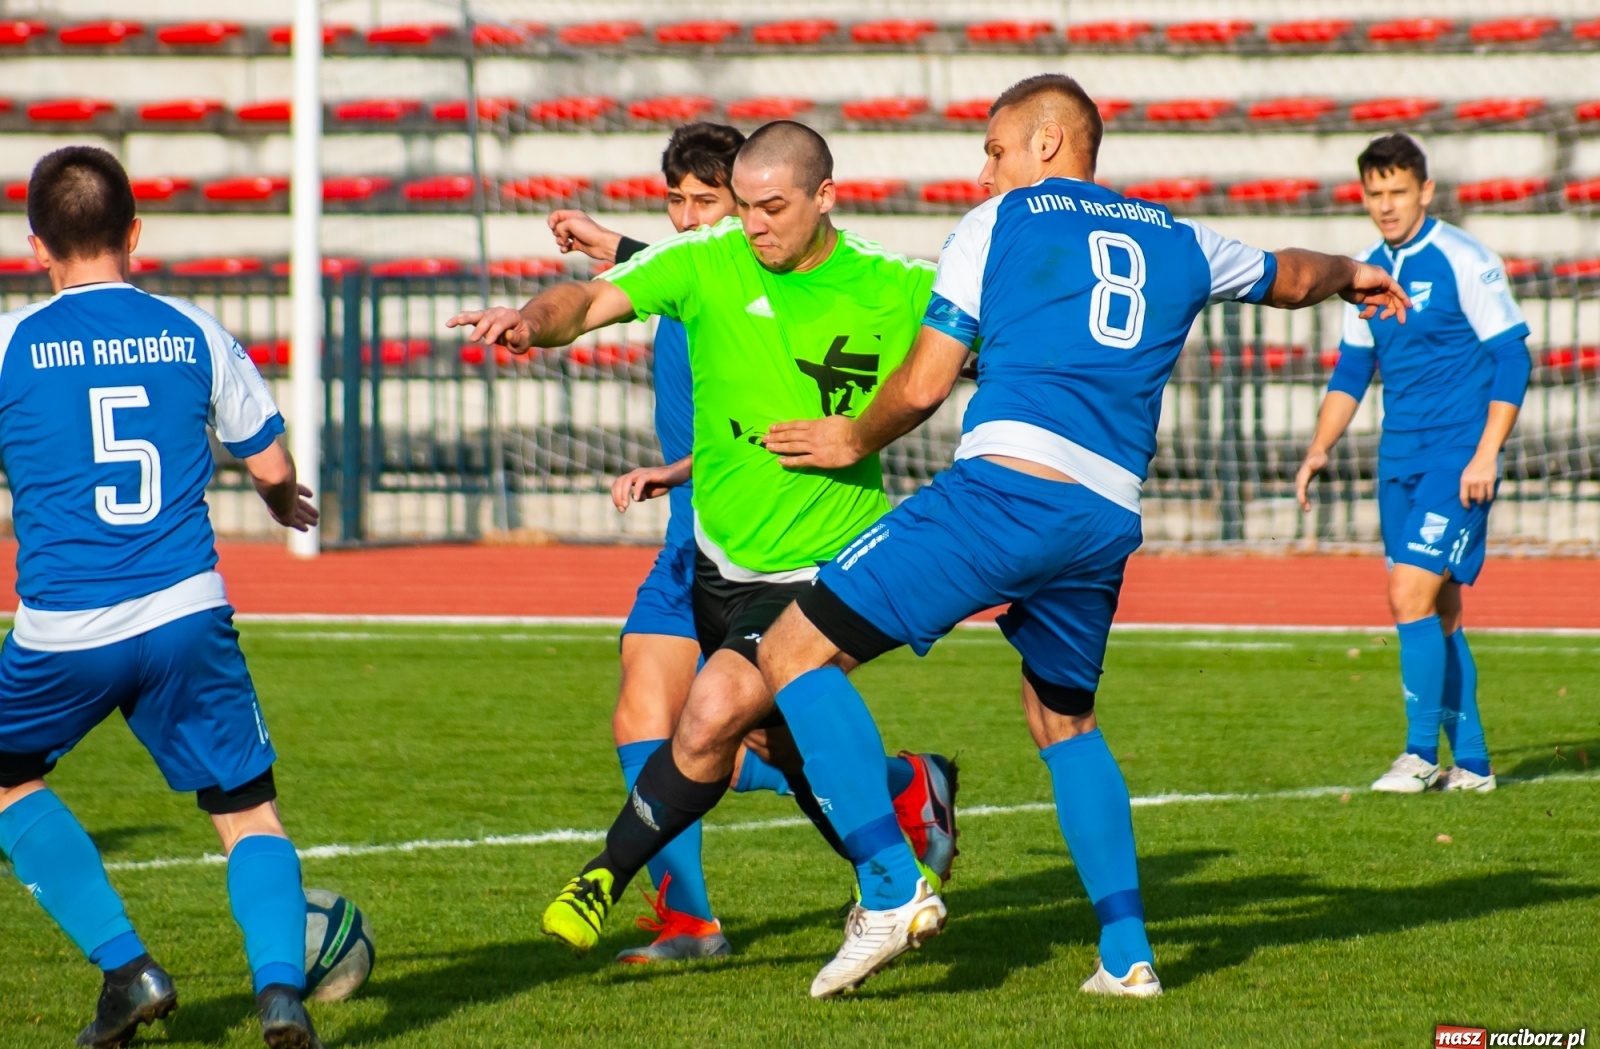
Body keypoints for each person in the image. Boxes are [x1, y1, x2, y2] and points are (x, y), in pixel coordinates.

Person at [753, 74, 1411, 998]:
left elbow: (926, 383)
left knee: (790, 652)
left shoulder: (999, 222)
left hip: (1006, 493)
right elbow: (1291, 275)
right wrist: (1356, 270)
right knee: (1062, 719)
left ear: (1049, 144)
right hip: (1103, 518)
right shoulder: (1178, 236)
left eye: (993, 148)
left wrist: (852, 437)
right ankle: (1127, 954)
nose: (981, 169)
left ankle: (891, 886)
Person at [447, 121, 957, 963]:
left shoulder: (892, 283)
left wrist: (863, 431)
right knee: (765, 738)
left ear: (825, 197)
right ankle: (902, 837)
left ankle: (608, 883)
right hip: (715, 559)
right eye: (742, 209)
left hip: (828, 571)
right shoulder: (705, 263)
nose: (751, 227)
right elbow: (586, 300)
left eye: (769, 209)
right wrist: (532, 322)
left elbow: (974, 347)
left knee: (713, 711)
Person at [0, 147, 324, 1049]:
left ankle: (127, 969)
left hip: (64, 627)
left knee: (8, 778)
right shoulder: (193, 330)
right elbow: (270, 464)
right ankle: (280, 993)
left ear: (37, 247)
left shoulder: (11, 343)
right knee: (246, 812)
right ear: (135, 233)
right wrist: (274, 498)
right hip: (186, 614)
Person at [544, 122, 802, 964]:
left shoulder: (758, 294)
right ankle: (689, 920)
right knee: (644, 714)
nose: (690, 219)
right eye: (677, 201)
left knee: (748, 740)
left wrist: (675, 468)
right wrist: (621, 246)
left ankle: (906, 791)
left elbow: (756, 424)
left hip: (755, 542)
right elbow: (692, 263)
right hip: (686, 539)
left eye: (709, 201)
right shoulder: (691, 268)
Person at [1295, 133, 1531, 794]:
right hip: (1397, 461)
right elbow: (1352, 368)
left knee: (1407, 596)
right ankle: (1476, 765)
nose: (1386, 206)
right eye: (1375, 194)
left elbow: (1513, 357)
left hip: (1457, 460)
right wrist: (1319, 447)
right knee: (1441, 612)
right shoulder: (1366, 271)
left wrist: (1487, 453)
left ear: (1425, 191)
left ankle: (1419, 754)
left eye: (1398, 192)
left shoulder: (1463, 258)